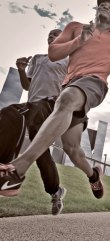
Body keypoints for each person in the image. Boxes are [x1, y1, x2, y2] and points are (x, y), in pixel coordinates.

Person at [0, 0, 110, 200]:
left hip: (94, 84)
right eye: (102, 4)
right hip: (70, 86)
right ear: (96, 10)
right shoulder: (74, 27)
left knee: (67, 99)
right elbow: (53, 53)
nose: (105, 7)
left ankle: (17, 170)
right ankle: (93, 175)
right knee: (73, 149)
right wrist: (79, 40)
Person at [0, 29, 68, 215]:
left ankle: (12, 174)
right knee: (8, 113)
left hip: (52, 106)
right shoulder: (38, 58)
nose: (52, 38)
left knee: (36, 123)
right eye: (49, 36)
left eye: (56, 35)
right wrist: (22, 70)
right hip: (32, 105)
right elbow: (27, 86)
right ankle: (55, 190)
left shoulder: (68, 61)